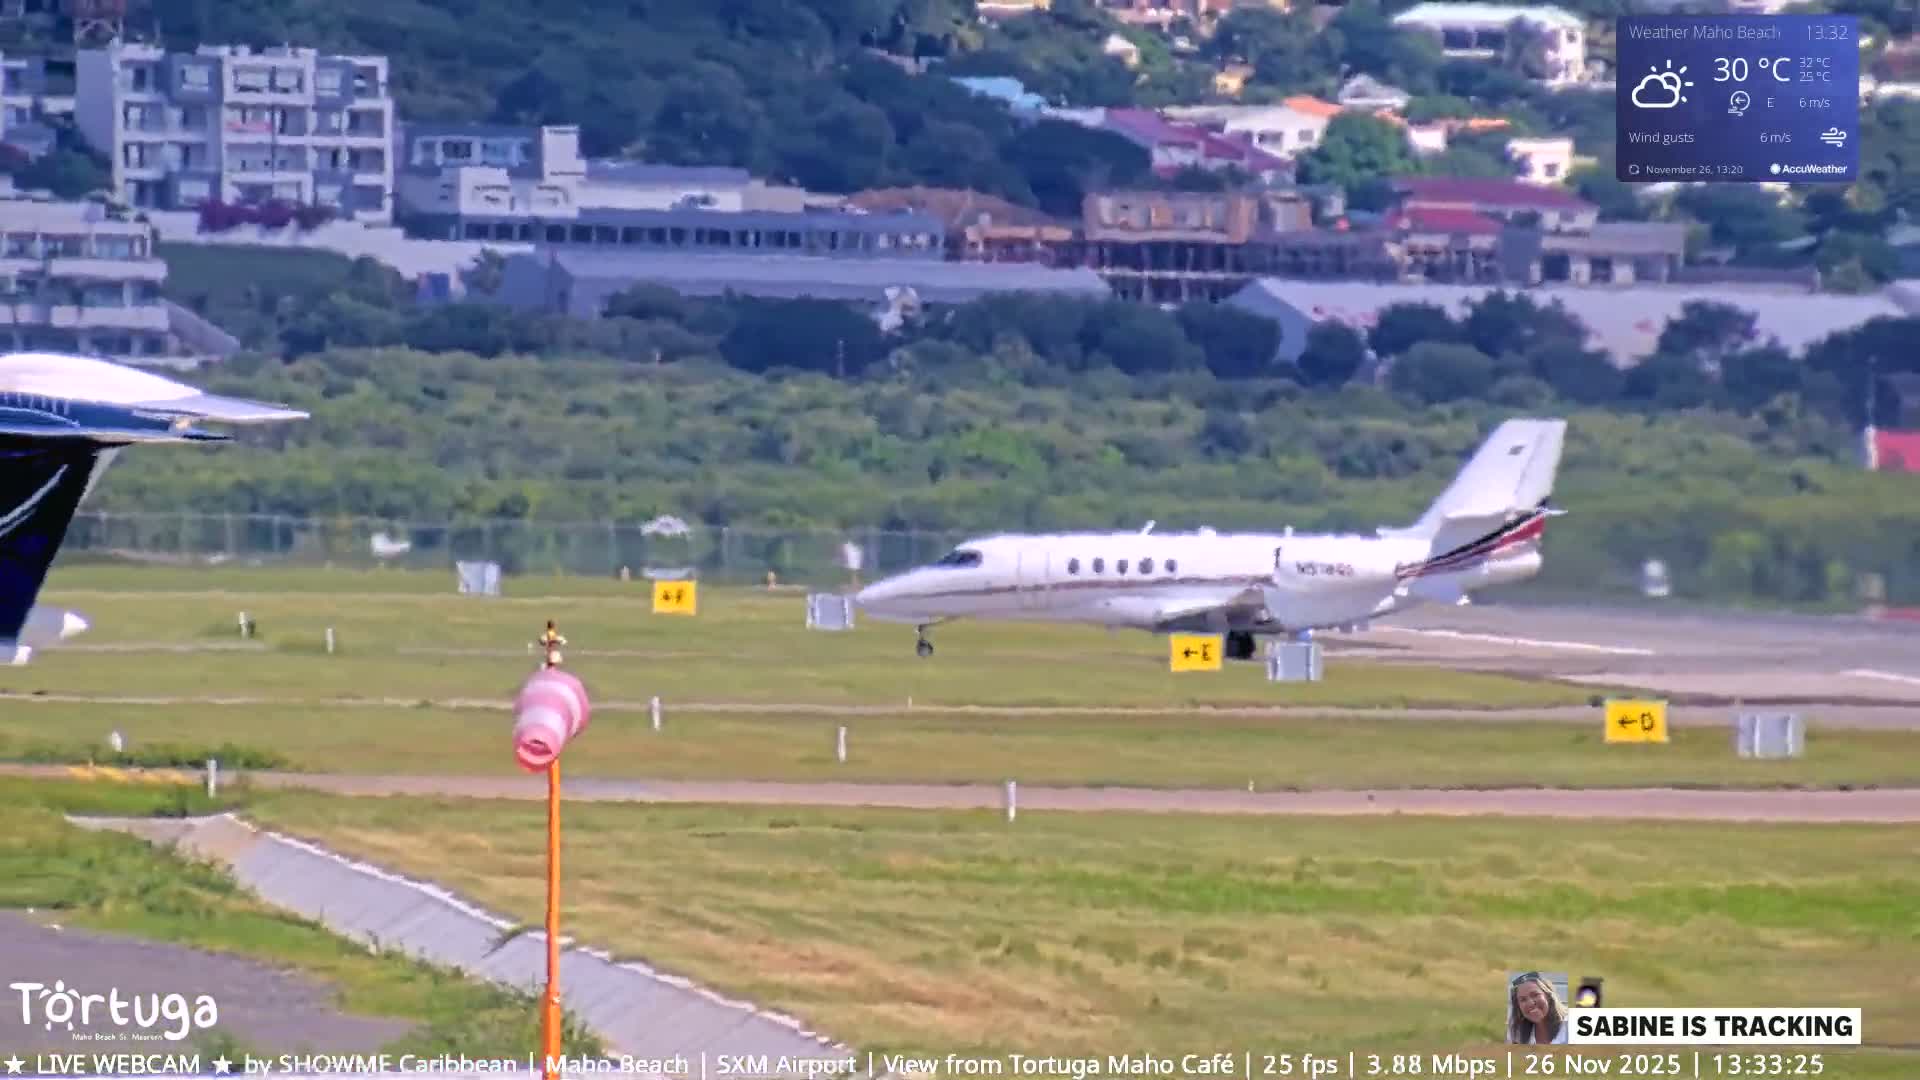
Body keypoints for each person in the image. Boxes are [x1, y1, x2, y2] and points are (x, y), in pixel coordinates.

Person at [1508, 972, 1570, 1045]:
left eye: (1535, 995)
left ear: (1548, 996)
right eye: (1523, 999)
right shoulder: (1516, 1034)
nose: (1530, 1003)